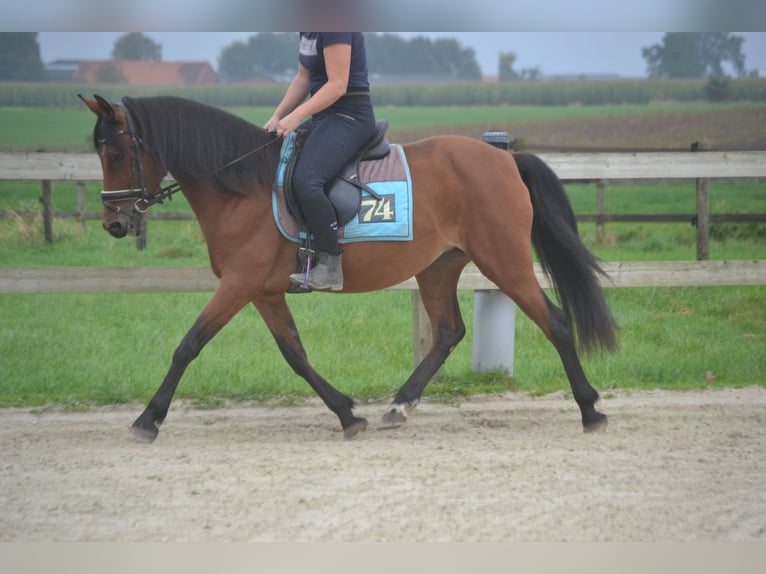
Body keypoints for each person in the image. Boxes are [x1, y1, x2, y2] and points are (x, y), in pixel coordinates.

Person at [265, 32, 377, 291]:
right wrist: (278, 115)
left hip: (351, 116)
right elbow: (303, 78)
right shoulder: (308, 28)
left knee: (307, 180)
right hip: (324, 117)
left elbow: (338, 84)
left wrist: (297, 115)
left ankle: (329, 265)